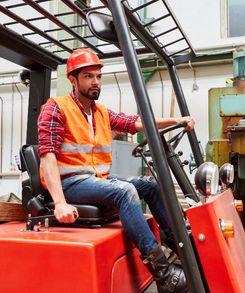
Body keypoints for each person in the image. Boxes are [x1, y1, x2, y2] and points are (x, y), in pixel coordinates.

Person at [38, 48, 194, 293]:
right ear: (72, 79)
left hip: (96, 179)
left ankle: (187, 250)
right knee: (125, 191)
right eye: (88, 76)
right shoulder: (56, 108)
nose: (95, 82)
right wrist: (59, 202)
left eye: (98, 76)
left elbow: (136, 123)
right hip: (69, 184)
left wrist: (178, 121)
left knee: (150, 185)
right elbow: (47, 156)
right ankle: (165, 276)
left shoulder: (100, 113)